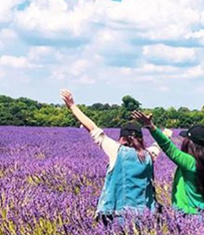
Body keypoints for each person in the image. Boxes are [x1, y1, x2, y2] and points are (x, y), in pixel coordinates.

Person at [61, 89, 167, 224]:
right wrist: (165, 133)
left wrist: (72, 106)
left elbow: (93, 129)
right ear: (140, 138)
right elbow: (159, 145)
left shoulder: (116, 150)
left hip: (117, 216)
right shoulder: (149, 155)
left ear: (122, 138)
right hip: (144, 217)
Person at [132, 109, 204, 217]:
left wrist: (150, 126)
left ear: (190, 143)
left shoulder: (188, 162)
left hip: (187, 215)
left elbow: (167, 145)